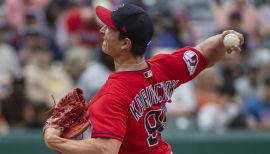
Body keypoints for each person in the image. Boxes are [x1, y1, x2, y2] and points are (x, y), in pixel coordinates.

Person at [43, 3, 244, 154]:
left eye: (110, 28)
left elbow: (106, 149)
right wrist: (222, 40)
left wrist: (56, 142)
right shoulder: (165, 67)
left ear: (125, 44)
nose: (103, 30)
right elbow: (205, 53)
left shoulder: (112, 95)